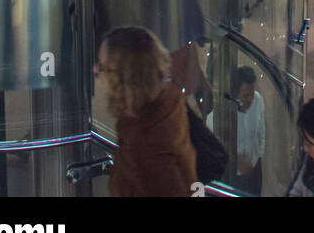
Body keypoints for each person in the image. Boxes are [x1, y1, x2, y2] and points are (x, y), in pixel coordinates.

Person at [97, 26, 196, 198]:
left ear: (125, 77)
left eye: (103, 67)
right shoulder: (168, 103)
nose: (96, 71)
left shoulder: (145, 145)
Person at [204, 66, 266, 196]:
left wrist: (259, 159)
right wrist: (236, 161)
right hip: (232, 178)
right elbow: (214, 154)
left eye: (252, 94)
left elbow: (261, 133)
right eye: (245, 96)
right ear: (234, 93)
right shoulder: (214, 119)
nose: (250, 100)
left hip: (254, 172)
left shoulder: (258, 101)